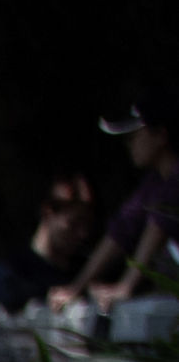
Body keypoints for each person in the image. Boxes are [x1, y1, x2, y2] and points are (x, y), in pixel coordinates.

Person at [53, 94, 179, 310]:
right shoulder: (156, 181)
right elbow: (121, 230)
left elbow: (157, 227)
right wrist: (75, 288)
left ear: (160, 135)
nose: (128, 144)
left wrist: (126, 286)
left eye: (134, 136)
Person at [0, 174, 101, 312]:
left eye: (87, 225)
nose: (82, 233)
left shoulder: (85, 271)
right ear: (48, 212)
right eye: (74, 223)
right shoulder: (14, 271)